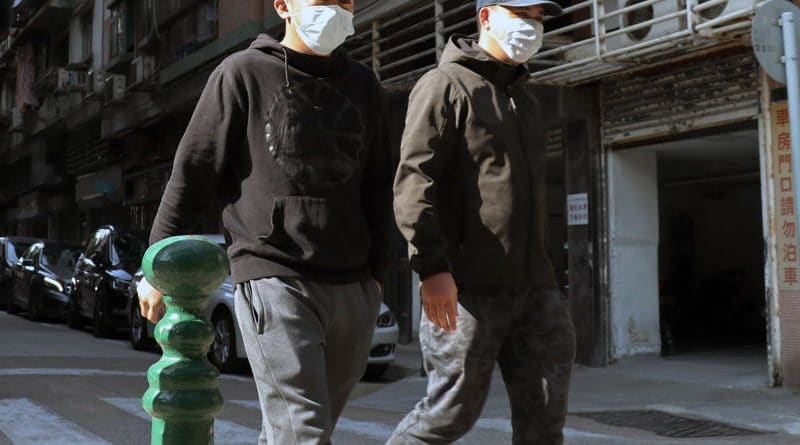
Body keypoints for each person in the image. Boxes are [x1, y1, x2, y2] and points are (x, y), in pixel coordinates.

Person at [138, 1, 393, 443]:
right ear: (283, 6)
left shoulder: (364, 85)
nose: (335, 9)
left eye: (345, 1)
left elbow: (378, 185)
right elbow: (193, 171)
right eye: (321, 1)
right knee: (304, 432)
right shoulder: (243, 73)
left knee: (292, 431)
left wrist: (377, 278)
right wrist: (154, 268)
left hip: (353, 287)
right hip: (274, 278)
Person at [389, 1, 575, 444]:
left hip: (536, 286)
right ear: (486, 17)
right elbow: (415, 180)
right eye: (521, 15)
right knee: (449, 414)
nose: (532, 27)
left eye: (537, 19)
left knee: (545, 420)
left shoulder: (526, 99)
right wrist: (432, 268)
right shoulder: (445, 85)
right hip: (468, 287)